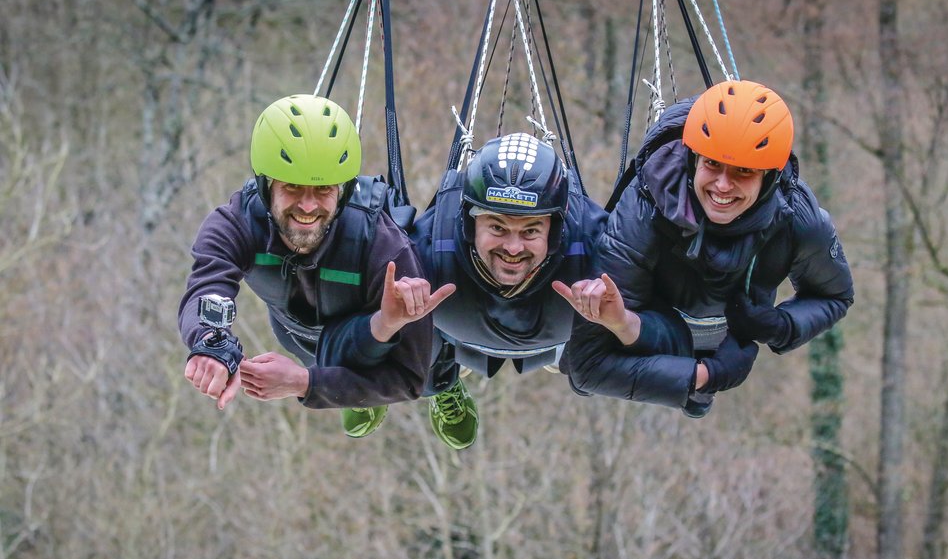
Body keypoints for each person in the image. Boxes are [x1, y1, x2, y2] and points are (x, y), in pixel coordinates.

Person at [560, 80, 854, 416]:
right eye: (712, 164)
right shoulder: (644, 209)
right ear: (692, 160)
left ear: (770, 178)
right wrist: (704, 377)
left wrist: (779, 326)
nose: (723, 185)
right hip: (650, 325)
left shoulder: (798, 219)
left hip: (726, 333)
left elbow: (835, 295)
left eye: (744, 171)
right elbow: (587, 368)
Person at [178, 94, 452, 437]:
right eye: (292, 187)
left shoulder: (384, 245)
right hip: (297, 333)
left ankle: (445, 383)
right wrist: (211, 343)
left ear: (344, 190)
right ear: (266, 186)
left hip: (376, 337)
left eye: (323, 189)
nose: (308, 206)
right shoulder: (235, 224)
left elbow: (408, 379)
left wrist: (305, 383)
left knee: (430, 375)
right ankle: (350, 386)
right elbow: (208, 286)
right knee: (331, 366)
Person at [407, 133, 608, 449]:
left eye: (530, 230)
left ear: (554, 232)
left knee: (592, 366)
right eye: (497, 228)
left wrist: (615, 315)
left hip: (559, 332)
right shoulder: (427, 249)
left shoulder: (595, 248)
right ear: (470, 225)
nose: (513, 248)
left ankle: (566, 358)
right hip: (454, 325)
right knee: (409, 348)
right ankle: (441, 385)